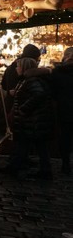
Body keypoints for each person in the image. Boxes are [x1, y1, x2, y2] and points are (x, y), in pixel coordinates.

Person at [6, 57, 54, 180]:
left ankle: (42, 171)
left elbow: (38, 94)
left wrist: (23, 109)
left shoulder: (31, 80)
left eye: (18, 66)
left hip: (34, 120)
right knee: (29, 144)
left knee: (31, 144)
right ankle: (18, 166)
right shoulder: (29, 79)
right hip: (35, 119)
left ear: (24, 68)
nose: (16, 69)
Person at [50, 47, 73, 175]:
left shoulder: (58, 72)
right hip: (65, 108)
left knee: (65, 137)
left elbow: (52, 92)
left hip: (64, 109)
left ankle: (65, 164)